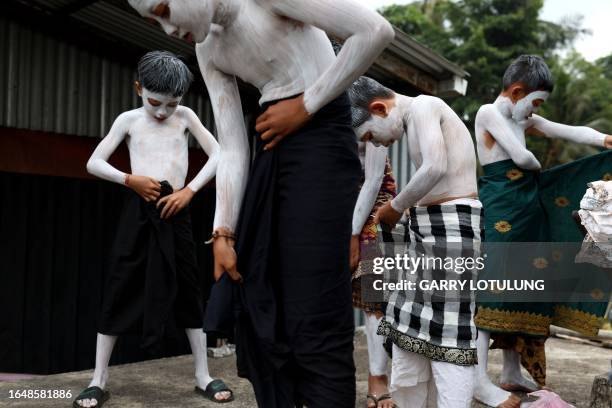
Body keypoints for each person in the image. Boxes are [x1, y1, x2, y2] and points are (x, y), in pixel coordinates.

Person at [127, 1, 395, 406]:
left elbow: (374, 31)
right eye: (153, 20)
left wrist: (307, 105)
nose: (166, 29)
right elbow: (232, 146)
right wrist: (223, 230)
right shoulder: (207, 49)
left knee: (317, 307)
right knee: (262, 298)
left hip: (320, 143)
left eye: (165, 9)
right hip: (271, 147)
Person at [73, 51, 231, 407]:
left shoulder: (186, 117)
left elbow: (220, 152)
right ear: (138, 88)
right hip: (139, 208)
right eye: (155, 102)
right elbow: (93, 162)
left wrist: (190, 190)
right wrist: (129, 180)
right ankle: (98, 377)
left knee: (189, 285)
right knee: (121, 283)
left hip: (177, 208)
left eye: (171, 104)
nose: (162, 112)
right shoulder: (129, 119)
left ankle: (202, 374)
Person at [472, 54, 612, 408]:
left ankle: (510, 370)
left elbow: (569, 131)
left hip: (527, 205)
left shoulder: (524, 116)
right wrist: (536, 164)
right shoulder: (489, 112)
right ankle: (475, 376)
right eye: (535, 102)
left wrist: (607, 140)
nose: (536, 111)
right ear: (517, 91)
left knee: (525, 283)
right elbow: (523, 159)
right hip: (503, 204)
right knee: (495, 285)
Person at [349, 76, 483, 408]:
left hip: (453, 227)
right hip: (425, 227)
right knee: (409, 326)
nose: (376, 144)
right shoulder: (411, 121)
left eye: (370, 135)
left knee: (448, 330)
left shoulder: (425, 105)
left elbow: (435, 167)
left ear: (379, 109)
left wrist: (394, 208)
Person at [348, 104, 397, 407]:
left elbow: (372, 180)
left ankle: (378, 376)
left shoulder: (367, 117)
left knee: (373, 294)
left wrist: (354, 235)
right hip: (336, 203)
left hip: (375, 210)